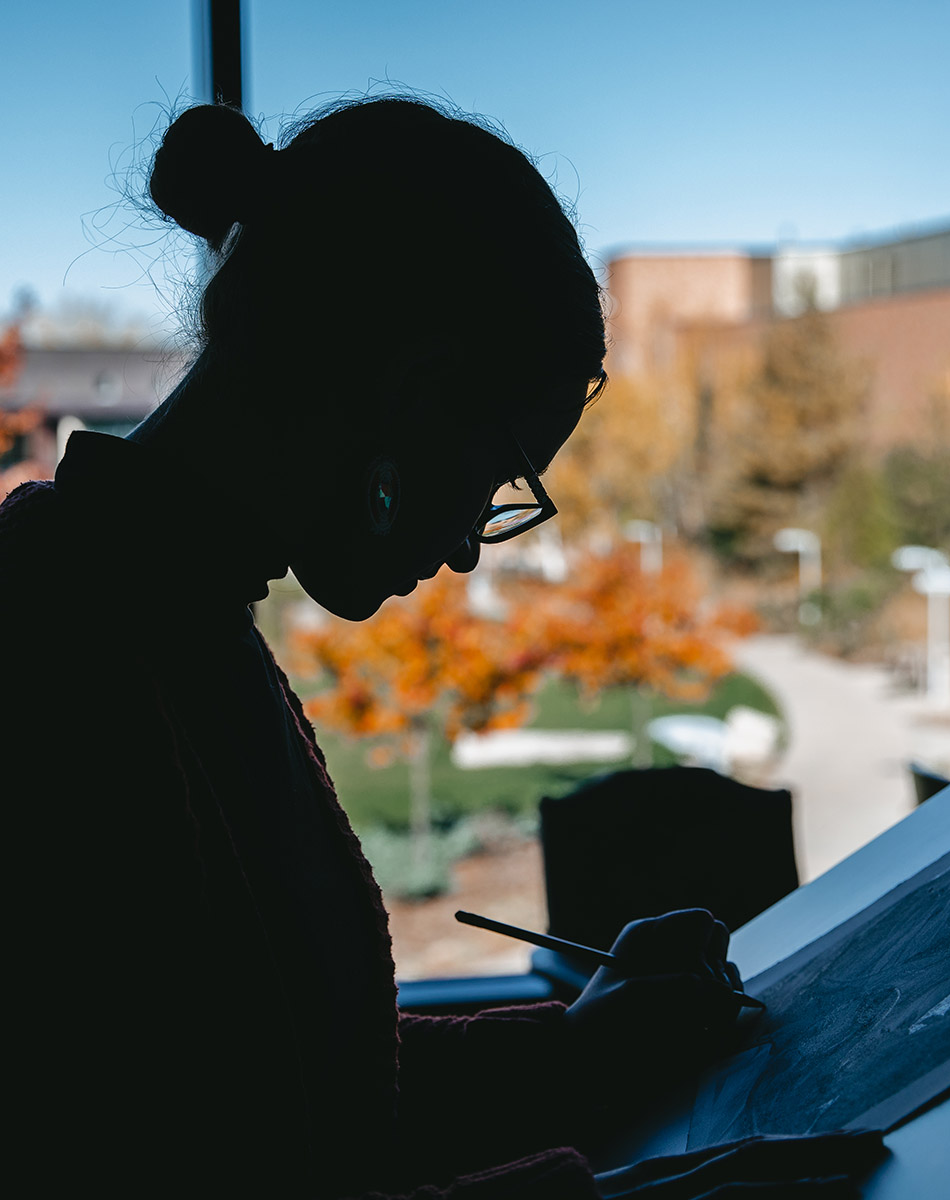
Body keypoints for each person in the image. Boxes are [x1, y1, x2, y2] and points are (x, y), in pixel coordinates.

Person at [0, 98, 882, 1198]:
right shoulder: (57, 654)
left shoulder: (163, 611)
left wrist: (588, 1049)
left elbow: (287, 1099)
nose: (470, 545)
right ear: (412, 395)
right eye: (504, 475)